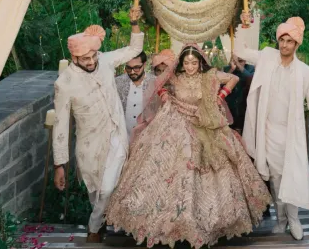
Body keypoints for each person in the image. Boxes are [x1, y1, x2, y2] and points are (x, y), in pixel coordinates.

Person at [106, 44, 272, 249]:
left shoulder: (209, 75)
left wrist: (218, 97)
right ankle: (170, 220)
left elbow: (234, 78)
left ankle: (207, 221)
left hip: (205, 122)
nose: (191, 67)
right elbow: (158, 83)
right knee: (169, 167)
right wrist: (165, 96)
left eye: (194, 63)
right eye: (187, 63)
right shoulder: (176, 76)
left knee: (212, 169)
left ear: (200, 62)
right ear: (182, 64)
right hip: (176, 121)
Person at [52, 8, 144, 243]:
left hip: (116, 136)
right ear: (74, 58)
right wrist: (59, 165)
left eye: (93, 56)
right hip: (89, 146)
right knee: (95, 191)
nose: (92, 61)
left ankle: (93, 229)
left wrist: (134, 23)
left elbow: (134, 49)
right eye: (86, 59)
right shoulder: (65, 84)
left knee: (107, 188)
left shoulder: (105, 61)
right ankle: (101, 223)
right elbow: (61, 126)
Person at [234, 16, 309, 241]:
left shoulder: (305, 73)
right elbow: (241, 51)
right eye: (281, 40)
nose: (284, 45)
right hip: (268, 132)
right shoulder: (267, 57)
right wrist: (244, 25)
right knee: (275, 179)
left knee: (291, 176)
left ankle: (293, 220)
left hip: (291, 133)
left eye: (289, 41)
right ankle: (281, 220)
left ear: (296, 44)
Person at [115, 50, 154, 136]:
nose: (132, 72)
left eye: (136, 68)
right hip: (123, 137)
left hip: (146, 138)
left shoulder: (155, 83)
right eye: (129, 68)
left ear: (144, 65)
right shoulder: (118, 82)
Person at [224, 54, 255, 134]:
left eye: (240, 61)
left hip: (245, 105)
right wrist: (231, 69)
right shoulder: (227, 69)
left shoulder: (250, 68)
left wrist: (239, 65)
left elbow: (251, 79)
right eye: (234, 61)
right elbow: (220, 85)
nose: (237, 63)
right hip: (230, 106)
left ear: (245, 61)